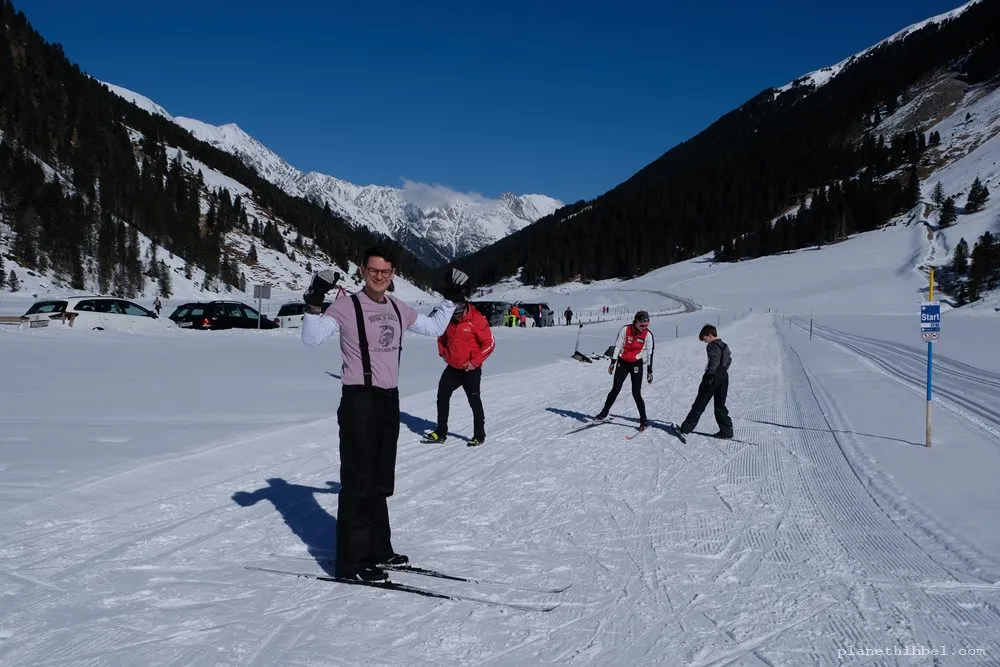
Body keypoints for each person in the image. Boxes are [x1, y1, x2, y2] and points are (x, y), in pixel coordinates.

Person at [301, 246, 467, 582]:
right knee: (357, 483)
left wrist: (451, 297)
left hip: (389, 401)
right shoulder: (347, 306)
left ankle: (379, 550)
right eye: (374, 270)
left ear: (393, 274)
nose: (380, 277)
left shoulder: (397, 306)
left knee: (379, 482)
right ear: (362, 270)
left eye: (386, 272)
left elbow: (434, 327)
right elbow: (312, 337)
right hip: (359, 400)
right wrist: (315, 299)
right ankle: (352, 562)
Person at [423, 298, 496, 446]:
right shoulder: (449, 318)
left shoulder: (476, 319)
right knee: (442, 396)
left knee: (474, 402)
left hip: (471, 370)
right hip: (453, 368)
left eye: (458, 313)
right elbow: (441, 335)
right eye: (453, 314)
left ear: (464, 307)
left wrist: (474, 362)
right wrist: (443, 352)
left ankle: (479, 435)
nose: (456, 317)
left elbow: (490, 343)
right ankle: (441, 432)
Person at [593, 311, 654, 429]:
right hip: (623, 362)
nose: (644, 328)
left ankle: (643, 419)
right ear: (636, 322)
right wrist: (613, 362)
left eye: (647, 325)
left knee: (636, 393)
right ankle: (604, 412)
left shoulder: (648, 335)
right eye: (642, 325)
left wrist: (649, 370)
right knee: (615, 389)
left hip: (636, 363)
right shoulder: (625, 330)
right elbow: (618, 346)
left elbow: (650, 353)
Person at [678, 324, 733, 439]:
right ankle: (727, 431)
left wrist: (710, 375)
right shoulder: (724, 345)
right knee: (720, 405)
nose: (704, 341)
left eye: (704, 338)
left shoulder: (711, 346)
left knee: (700, 403)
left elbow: (713, 362)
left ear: (710, 335)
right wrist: (723, 370)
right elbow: (729, 359)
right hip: (724, 377)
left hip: (712, 378)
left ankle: (686, 428)